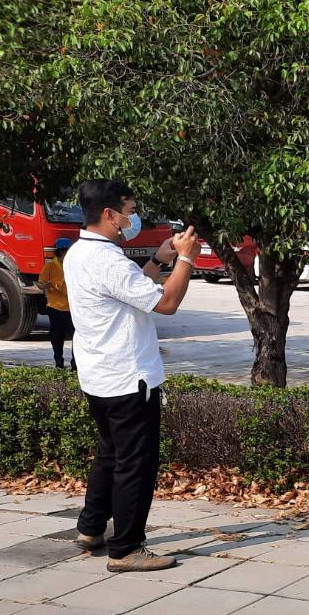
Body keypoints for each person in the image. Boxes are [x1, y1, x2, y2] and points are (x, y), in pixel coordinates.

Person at [63, 178, 199, 572]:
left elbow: (133, 290)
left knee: (110, 454)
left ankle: (91, 528)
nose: (133, 218)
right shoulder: (109, 261)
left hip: (99, 376)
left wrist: (158, 260)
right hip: (128, 378)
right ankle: (126, 548)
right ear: (110, 214)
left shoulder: (80, 253)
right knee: (135, 464)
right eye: (130, 210)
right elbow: (166, 302)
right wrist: (186, 259)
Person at [42, 237, 76, 369]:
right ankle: (59, 362)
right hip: (55, 307)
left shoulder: (74, 265)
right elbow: (41, 282)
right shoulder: (50, 266)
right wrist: (47, 285)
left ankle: (75, 364)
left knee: (76, 337)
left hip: (72, 307)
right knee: (57, 337)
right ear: (60, 252)